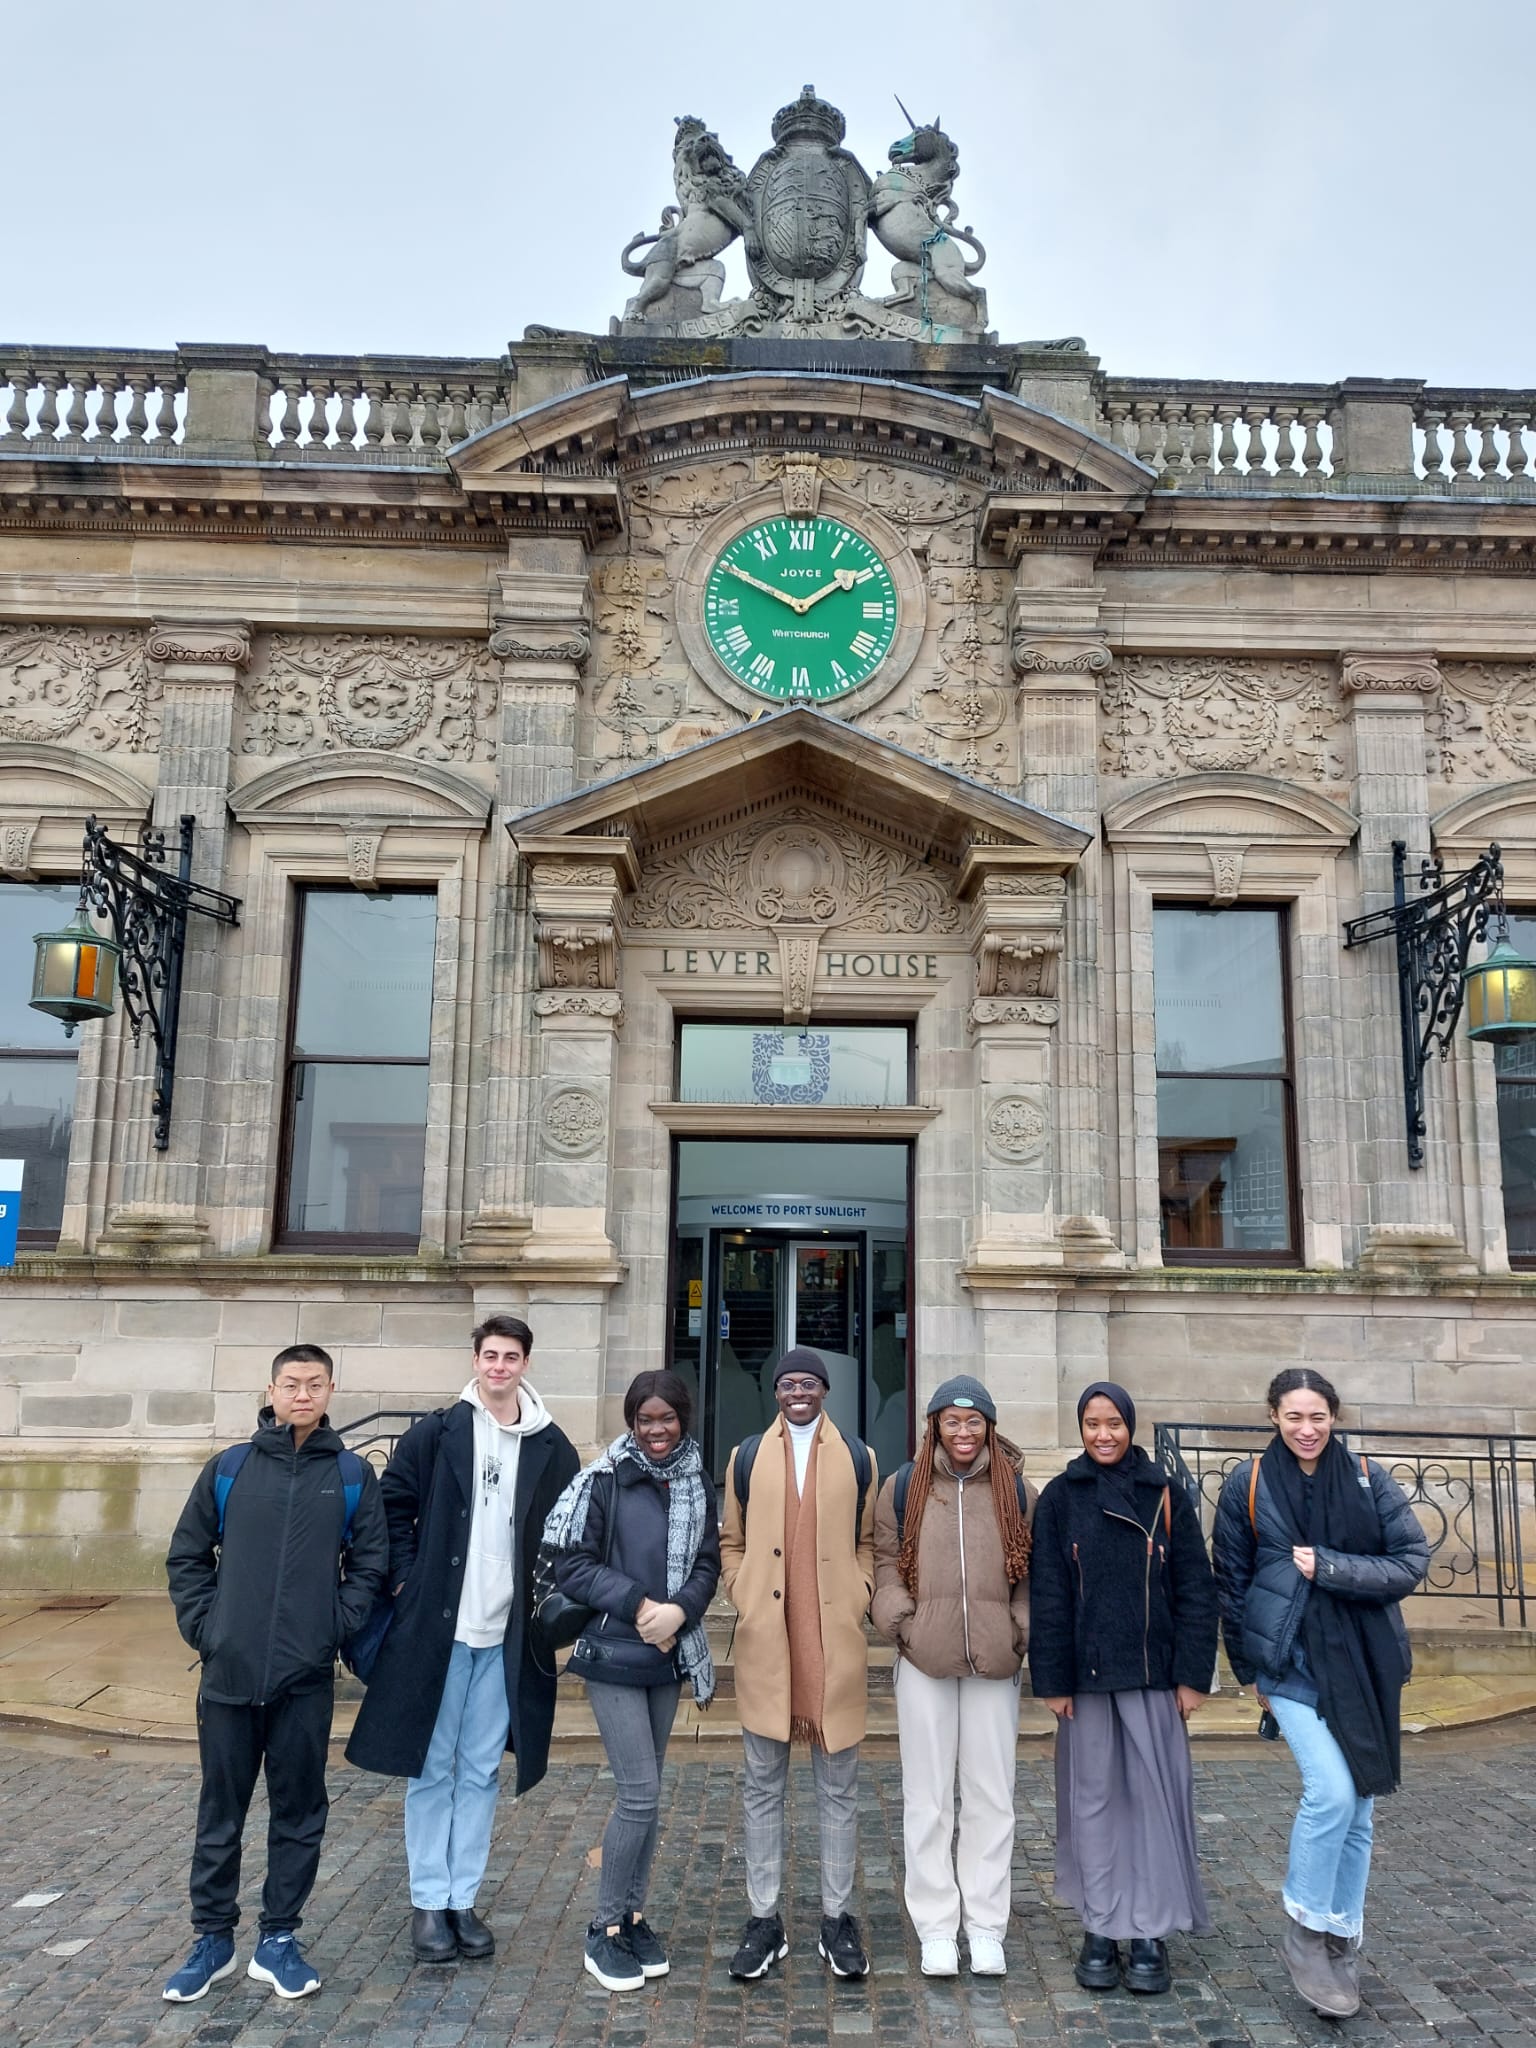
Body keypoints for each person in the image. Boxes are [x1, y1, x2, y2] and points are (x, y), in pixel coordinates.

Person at [345, 1314, 578, 1964]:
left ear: (525, 1364)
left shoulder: (552, 1445)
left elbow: (566, 1534)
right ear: (475, 1360)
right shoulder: (436, 1433)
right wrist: (406, 1581)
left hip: (507, 1639)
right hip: (440, 1632)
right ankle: (427, 1902)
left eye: (510, 1358)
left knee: (478, 1773)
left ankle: (461, 1900)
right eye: (490, 1356)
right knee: (431, 1767)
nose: (499, 1367)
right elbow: (392, 1505)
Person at [163, 1344, 387, 2004]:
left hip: (303, 1679)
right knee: (220, 1813)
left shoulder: (350, 1475)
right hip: (229, 1676)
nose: (302, 1395)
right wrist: (210, 1630)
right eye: (291, 1383)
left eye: (314, 1385)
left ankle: (279, 1937)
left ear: (329, 1391)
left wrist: (333, 1627)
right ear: (271, 1388)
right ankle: (212, 1939)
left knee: (298, 1811)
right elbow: (187, 1557)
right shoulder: (229, 1469)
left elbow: (370, 1566)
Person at [1212, 1368, 1428, 2021]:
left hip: (1363, 1662)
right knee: (1330, 1792)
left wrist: (1331, 1566)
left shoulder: (1367, 1476)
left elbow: (1410, 1558)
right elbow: (1231, 1580)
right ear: (1273, 1417)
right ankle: (1304, 1932)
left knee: (1360, 1806)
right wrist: (1248, 1673)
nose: (1307, 1429)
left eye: (1318, 1417)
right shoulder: (1247, 1485)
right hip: (1289, 1663)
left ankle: (1341, 1936)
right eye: (1293, 1417)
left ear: (1333, 1416)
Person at [1028, 1381, 1218, 1998]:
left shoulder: (1164, 1493)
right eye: (1091, 1424)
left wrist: (1193, 1676)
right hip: (1085, 1682)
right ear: (1080, 1429)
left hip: (1152, 1676)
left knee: (1154, 1805)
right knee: (1092, 1809)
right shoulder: (1060, 1496)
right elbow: (1049, 1594)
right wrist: (1051, 1680)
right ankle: (1100, 1926)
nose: (1103, 1434)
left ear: (1130, 1426)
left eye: (1113, 1423)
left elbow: (1195, 1588)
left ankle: (1150, 1932)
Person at [541, 1368, 721, 1992]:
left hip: (669, 1655)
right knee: (638, 1794)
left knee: (650, 1795)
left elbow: (707, 1560)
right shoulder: (602, 1480)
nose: (657, 1430)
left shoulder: (698, 1479)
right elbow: (574, 1566)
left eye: (666, 1418)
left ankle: (635, 1916)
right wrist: (644, 1606)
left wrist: (681, 1611)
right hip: (615, 1651)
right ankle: (602, 1928)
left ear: (683, 1419)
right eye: (645, 1420)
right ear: (631, 1422)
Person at [720, 1346, 878, 1982]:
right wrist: (742, 1589)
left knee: (838, 1790)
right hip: (767, 1644)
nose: (798, 1393)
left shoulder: (861, 1459)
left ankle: (838, 1918)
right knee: (763, 1789)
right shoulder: (746, 1456)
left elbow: (869, 1540)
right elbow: (730, 1538)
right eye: (787, 1383)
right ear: (776, 1391)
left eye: (808, 1383)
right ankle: (764, 1918)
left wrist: (862, 1592)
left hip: (831, 1647)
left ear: (825, 1390)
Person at [871, 1375, 1035, 1979]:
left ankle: (987, 1925)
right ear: (934, 1426)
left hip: (995, 1660)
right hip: (924, 1658)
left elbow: (1030, 1569)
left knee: (993, 1798)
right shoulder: (903, 1488)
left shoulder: (1015, 1488)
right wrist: (900, 1622)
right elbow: (884, 1560)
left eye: (973, 1423)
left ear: (989, 1427)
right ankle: (937, 1925)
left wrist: (1021, 1628)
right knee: (929, 1799)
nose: (962, 1434)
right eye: (951, 1422)